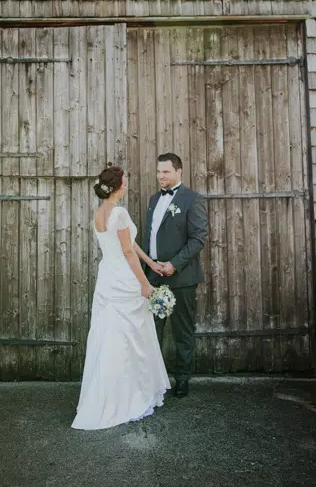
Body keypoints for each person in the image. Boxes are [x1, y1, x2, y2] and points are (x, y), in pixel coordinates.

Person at [71, 164, 170, 430]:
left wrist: (151, 262)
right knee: (129, 338)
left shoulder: (99, 213)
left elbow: (130, 245)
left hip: (107, 279)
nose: (127, 185)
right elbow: (127, 252)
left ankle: (107, 394)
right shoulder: (120, 212)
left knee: (109, 336)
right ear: (118, 187)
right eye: (125, 181)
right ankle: (126, 397)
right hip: (124, 279)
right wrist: (143, 284)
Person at [145, 153, 208, 398]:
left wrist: (174, 264)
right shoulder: (153, 200)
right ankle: (153, 381)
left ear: (179, 171)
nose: (161, 177)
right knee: (152, 332)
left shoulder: (192, 199)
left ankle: (182, 379)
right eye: (159, 172)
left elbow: (197, 239)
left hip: (181, 279)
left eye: (166, 172)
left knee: (182, 332)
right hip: (154, 278)